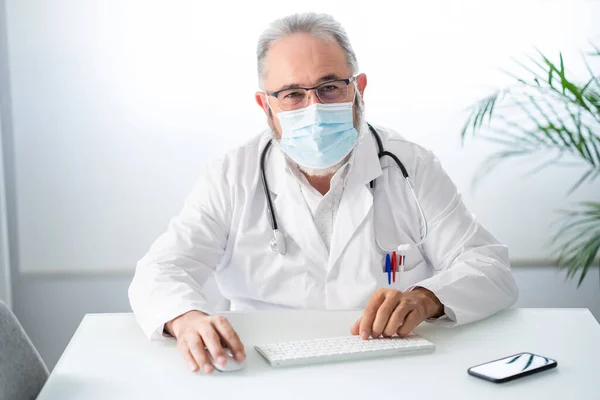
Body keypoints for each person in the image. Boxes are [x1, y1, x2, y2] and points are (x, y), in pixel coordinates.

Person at [128, 12, 518, 374]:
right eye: (293, 94)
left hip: (389, 363)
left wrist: (425, 297)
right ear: (266, 105)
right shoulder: (232, 174)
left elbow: (490, 268)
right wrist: (186, 318)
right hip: (263, 363)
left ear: (359, 88)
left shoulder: (410, 165)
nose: (313, 109)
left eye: (329, 87)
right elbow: (161, 270)